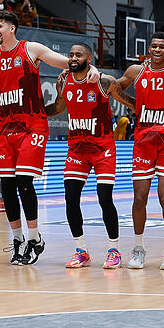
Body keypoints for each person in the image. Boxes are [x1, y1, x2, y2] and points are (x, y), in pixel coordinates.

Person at [0, 11, 100, 265]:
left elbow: (66, 63)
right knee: (6, 187)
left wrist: (94, 67)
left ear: (12, 28)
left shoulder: (30, 49)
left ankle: (34, 238)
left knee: (24, 181)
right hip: (6, 127)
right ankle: (17, 239)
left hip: (32, 125)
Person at [44, 43, 133, 269]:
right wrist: (33, 110)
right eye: (71, 54)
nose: (73, 58)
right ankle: (81, 250)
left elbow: (131, 103)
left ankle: (114, 249)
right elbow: (58, 107)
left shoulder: (104, 82)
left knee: (105, 199)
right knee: (71, 198)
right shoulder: (63, 81)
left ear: (89, 58)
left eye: (78, 54)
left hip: (102, 148)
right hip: (76, 149)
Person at [116, 32, 164, 270]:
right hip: (143, 142)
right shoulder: (135, 71)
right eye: (153, 46)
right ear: (148, 49)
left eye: (162, 46)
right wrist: (133, 106)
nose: (157, 50)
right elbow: (113, 88)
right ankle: (138, 249)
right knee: (139, 198)